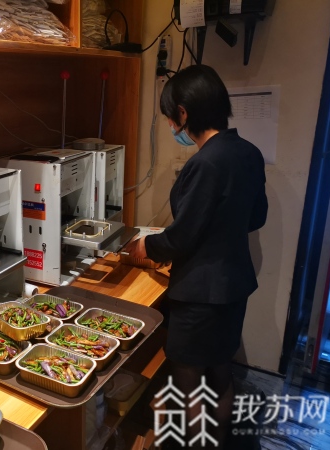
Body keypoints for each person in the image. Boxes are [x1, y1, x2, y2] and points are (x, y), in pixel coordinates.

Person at [125, 64, 267, 448]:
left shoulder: (206, 163)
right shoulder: (248, 153)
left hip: (201, 295)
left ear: (183, 112)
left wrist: (146, 247)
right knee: (220, 374)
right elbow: (257, 217)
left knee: (189, 385)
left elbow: (182, 236)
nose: (172, 125)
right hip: (234, 285)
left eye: (170, 117)